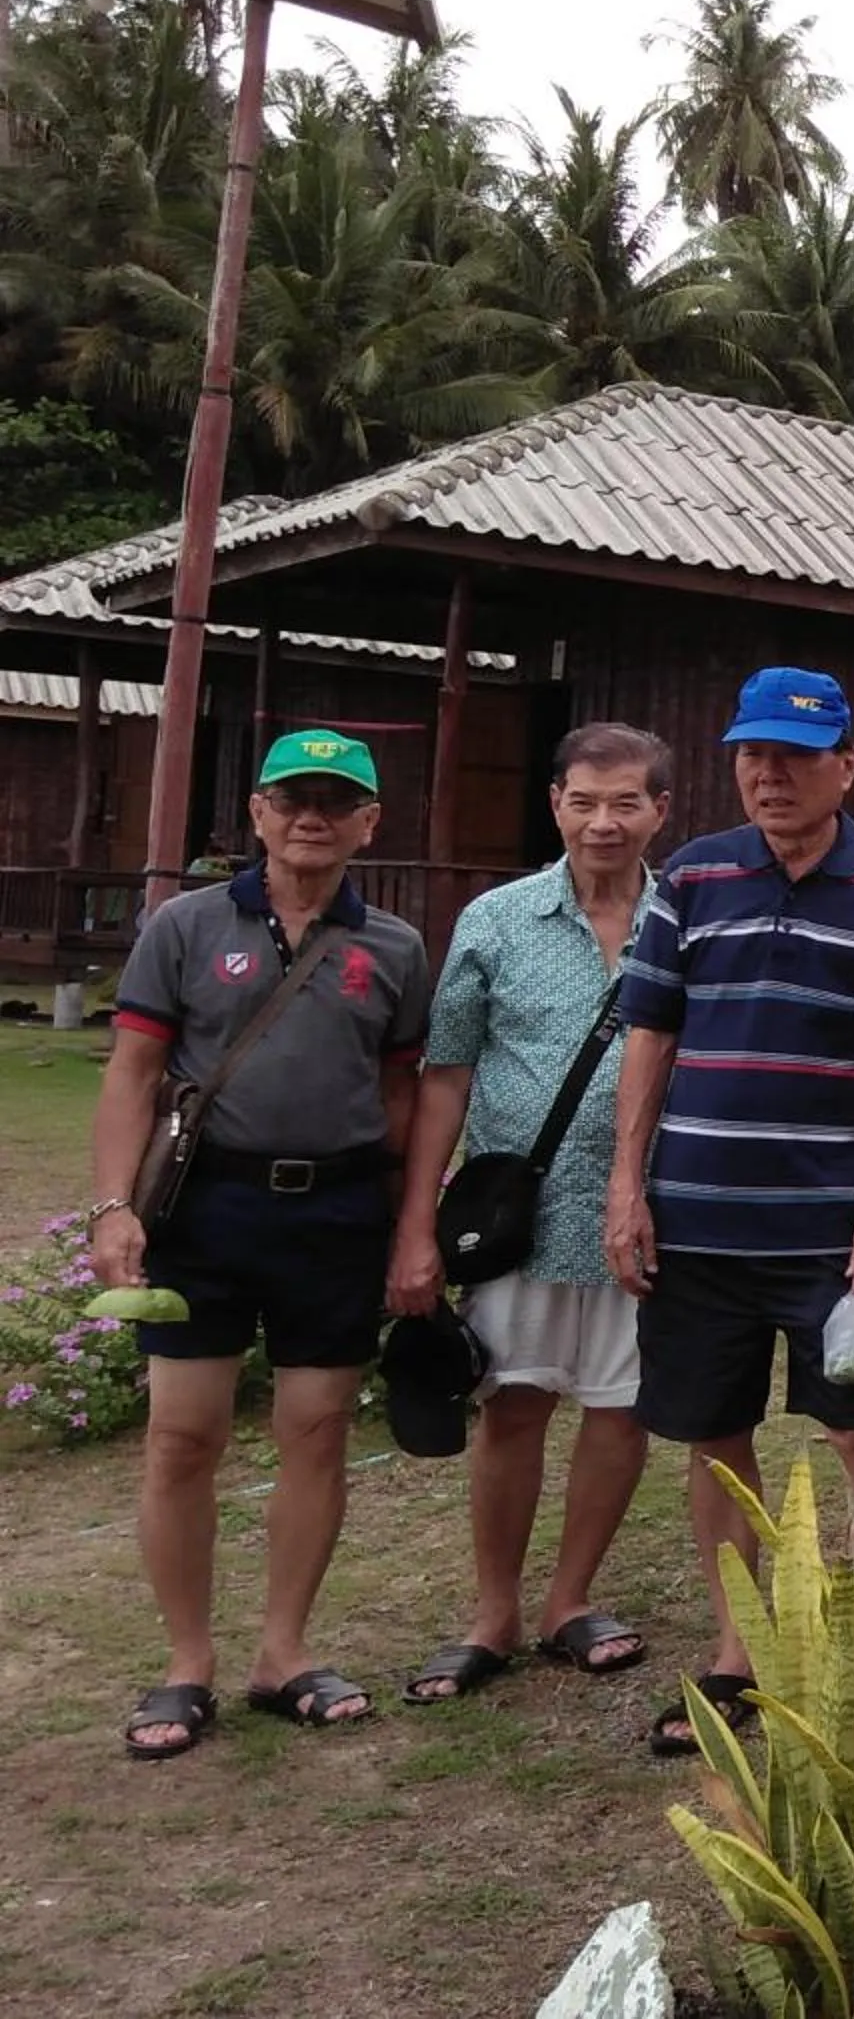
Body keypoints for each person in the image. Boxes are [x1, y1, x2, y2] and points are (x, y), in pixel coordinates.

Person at [605, 668, 854, 1755]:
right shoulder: (695, 876)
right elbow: (649, 1034)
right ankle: (735, 1654)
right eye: (753, 755)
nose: (769, 774)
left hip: (836, 1234)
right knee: (714, 1440)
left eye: (795, 756)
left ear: (845, 765)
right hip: (697, 1221)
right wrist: (626, 1184)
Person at [91, 729, 432, 1757]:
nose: (311, 817)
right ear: (256, 812)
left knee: (316, 1431)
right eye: (293, 798)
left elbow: (403, 1093)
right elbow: (133, 1075)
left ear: (370, 822)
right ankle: (185, 1663)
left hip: (334, 1214)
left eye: (336, 800)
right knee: (181, 1436)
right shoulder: (186, 926)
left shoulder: (401, 949)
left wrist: (411, 1224)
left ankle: (283, 1653)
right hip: (208, 1210)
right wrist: (114, 1205)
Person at [390, 724, 673, 1704]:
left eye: (626, 802)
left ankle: (571, 1599)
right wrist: (417, 1222)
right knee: (512, 1406)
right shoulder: (497, 919)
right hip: (519, 1215)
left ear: (660, 812)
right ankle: (495, 1612)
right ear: (555, 803)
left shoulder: (689, 919)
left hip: (644, 1219)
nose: (604, 821)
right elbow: (446, 1077)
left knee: (620, 1407)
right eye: (585, 801)